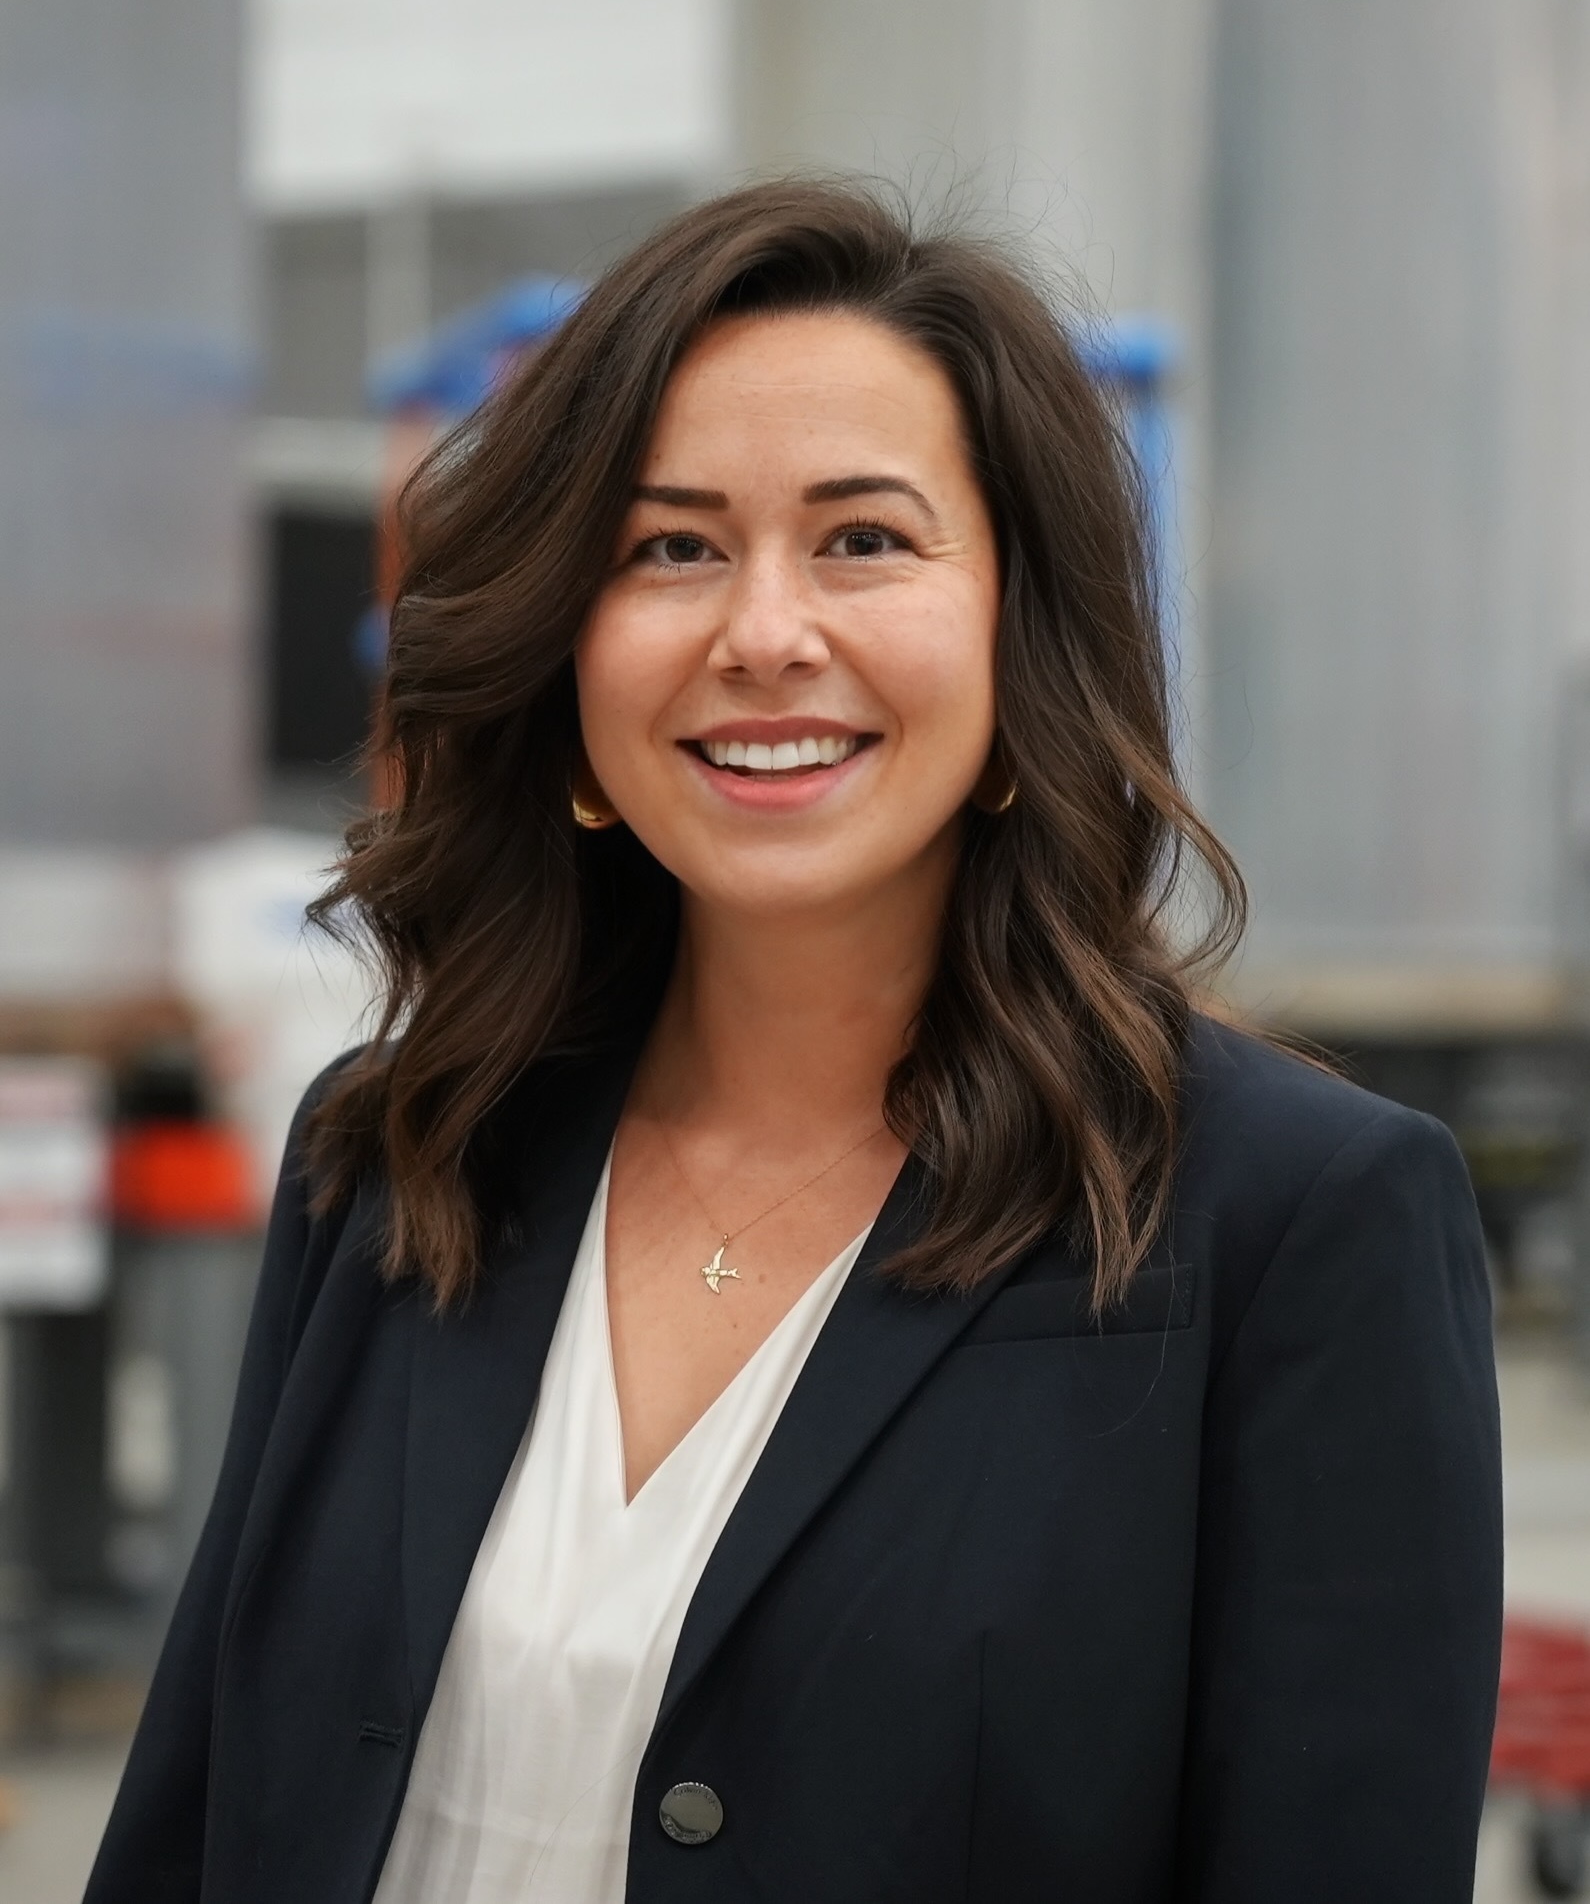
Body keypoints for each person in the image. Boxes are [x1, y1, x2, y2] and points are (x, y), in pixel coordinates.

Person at [85, 179, 1501, 1904]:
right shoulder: (397, 1153)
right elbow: (197, 1814)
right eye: (671, 547)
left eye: (864, 541)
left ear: (1019, 642)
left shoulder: (1294, 1222)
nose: (763, 633)